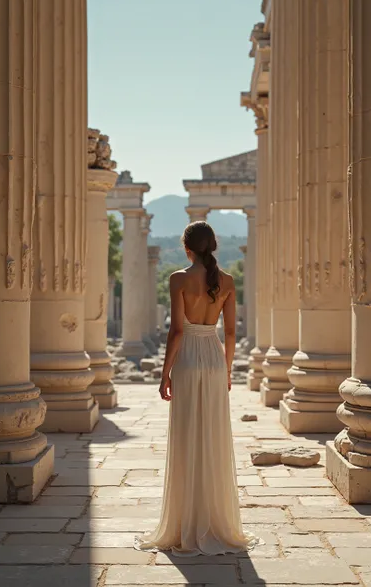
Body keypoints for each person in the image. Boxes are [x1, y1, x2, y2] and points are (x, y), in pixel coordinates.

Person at [135, 221, 259, 556]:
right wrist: (228, 369)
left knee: (187, 435)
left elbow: (176, 330)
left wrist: (165, 374)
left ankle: (184, 520)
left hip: (188, 359)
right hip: (215, 359)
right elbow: (231, 333)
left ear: (187, 247)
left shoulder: (178, 279)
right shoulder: (229, 282)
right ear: (214, 246)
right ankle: (216, 520)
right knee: (214, 436)